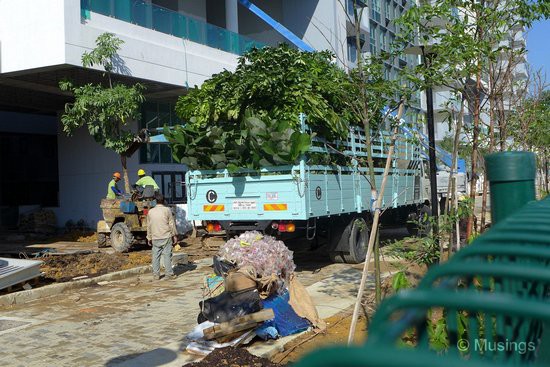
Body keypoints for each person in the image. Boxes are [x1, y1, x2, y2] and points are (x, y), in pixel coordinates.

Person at [147, 193, 177, 280]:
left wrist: (149, 238)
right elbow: (171, 224)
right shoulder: (167, 210)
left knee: (155, 256)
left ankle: (156, 275)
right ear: (163, 200)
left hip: (155, 237)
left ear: (155, 201)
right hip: (166, 236)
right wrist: (174, 235)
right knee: (167, 255)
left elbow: (149, 226)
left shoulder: (150, 212)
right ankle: (169, 274)